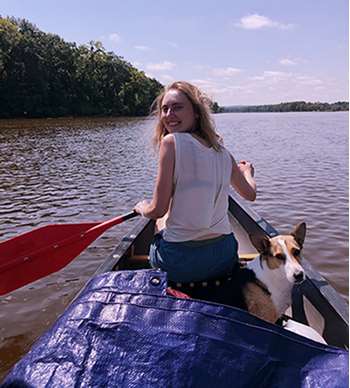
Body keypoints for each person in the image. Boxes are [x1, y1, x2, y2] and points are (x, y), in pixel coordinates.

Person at [134, 81, 256, 283]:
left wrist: (142, 207)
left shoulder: (171, 142)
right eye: (165, 109)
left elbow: (158, 210)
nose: (169, 114)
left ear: (196, 113)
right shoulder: (224, 153)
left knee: (160, 220)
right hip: (224, 257)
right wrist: (248, 173)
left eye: (178, 107)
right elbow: (250, 194)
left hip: (179, 264)